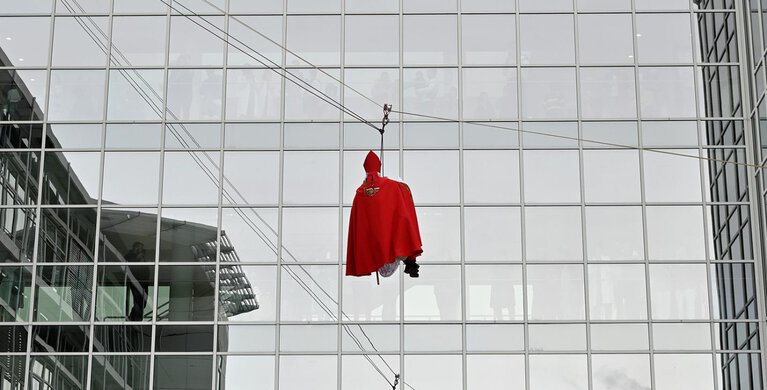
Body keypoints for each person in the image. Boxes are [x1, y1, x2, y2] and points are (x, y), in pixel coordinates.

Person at [125, 242, 149, 321]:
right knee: (138, 301)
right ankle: (134, 319)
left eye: (141, 248)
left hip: (143, 282)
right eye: (137, 247)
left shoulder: (142, 258)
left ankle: (135, 318)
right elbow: (130, 266)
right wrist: (138, 259)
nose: (139, 250)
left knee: (143, 302)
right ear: (134, 247)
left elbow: (146, 270)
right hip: (135, 281)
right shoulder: (129, 256)